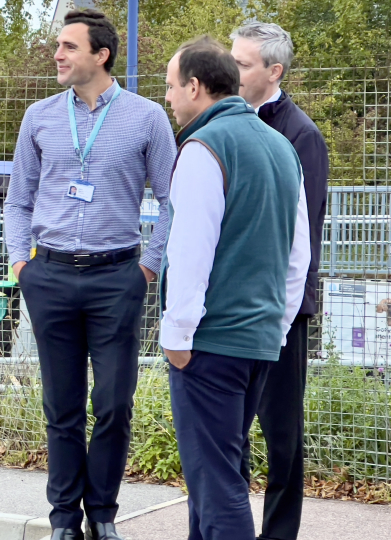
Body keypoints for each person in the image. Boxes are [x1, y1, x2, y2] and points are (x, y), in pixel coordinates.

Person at [4, 9, 176, 540]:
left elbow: (172, 201)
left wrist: (148, 267)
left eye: (69, 47)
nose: (58, 55)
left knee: (113, 404)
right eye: (59, 46)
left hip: (116, 278)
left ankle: (102, 515)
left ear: (100, 55)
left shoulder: (147, 118)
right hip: (49, 275)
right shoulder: (38, 117)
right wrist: (20, 263)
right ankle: (63, 521)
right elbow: (18, 200)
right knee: (61, 407)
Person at [161, 36, 310, 540]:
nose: (168, 98)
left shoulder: (204, 146)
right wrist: (278, 324)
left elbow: (189, 251)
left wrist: (177, 337)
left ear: (197, 86)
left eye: (171, 86)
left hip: (209, 343)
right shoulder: (282, 147)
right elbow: (299, 255)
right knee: (217, 475)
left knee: (217, 483)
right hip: (260, 342)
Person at [231, 22, 329, 540]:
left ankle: (278, 534)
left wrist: (283, 315)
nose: (232, 70)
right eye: (232, 60)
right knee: (231, 432)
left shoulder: (301, 135)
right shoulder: (224, 124)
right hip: (233, 308)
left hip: (282, 313)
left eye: (243, 64)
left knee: (282, 435)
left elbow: (302, 240)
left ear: (274, 71)